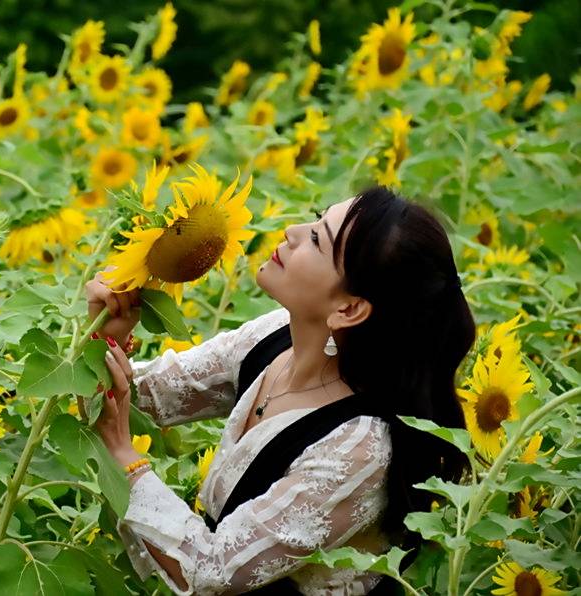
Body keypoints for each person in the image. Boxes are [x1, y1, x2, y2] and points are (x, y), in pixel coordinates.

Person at [81, 186, 476, 595]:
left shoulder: (358, 447)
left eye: (318, 239)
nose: (292, 231)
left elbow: (213, 571)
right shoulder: (275, 338)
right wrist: (105, 338)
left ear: (348, 309)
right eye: (317, 218)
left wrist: (125, 457)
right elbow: (140, 397)